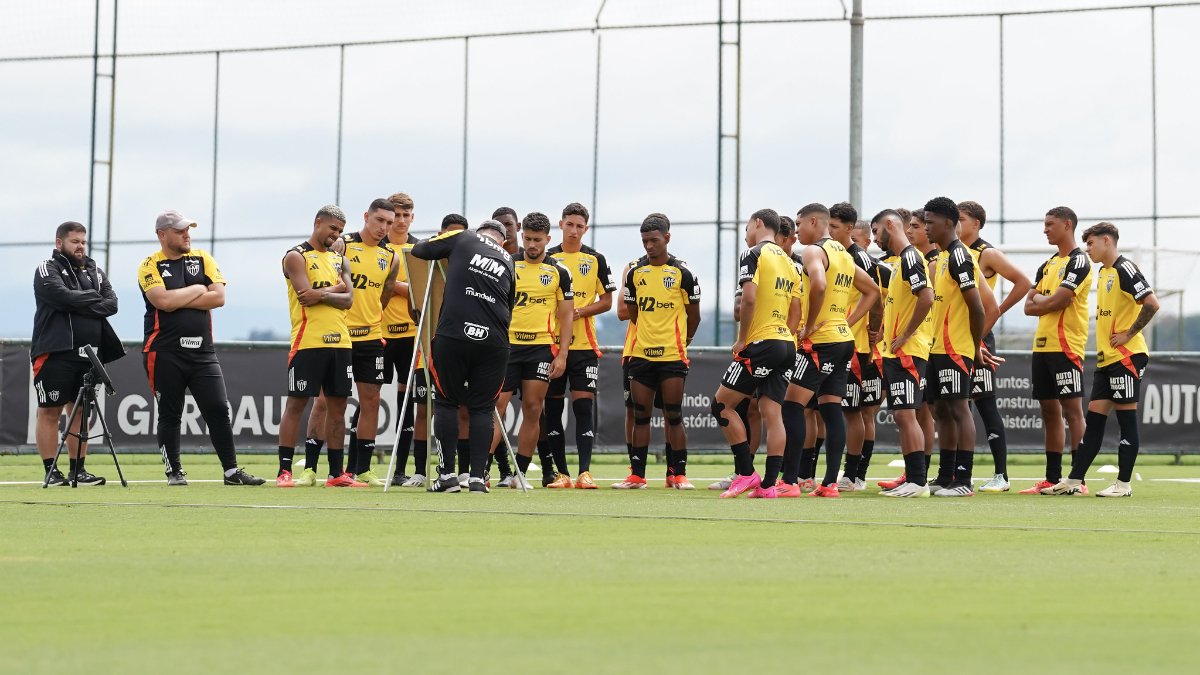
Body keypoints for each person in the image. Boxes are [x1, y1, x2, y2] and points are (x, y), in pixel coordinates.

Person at [756, 203, 877, 499]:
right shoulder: (843, 254)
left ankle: (791, 481)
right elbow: (873, 291)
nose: (797, 231)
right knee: (831, 408)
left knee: (793, 406)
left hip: (820, 341)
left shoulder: (814, 251)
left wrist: (809, 326)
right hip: (843, 339)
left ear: (813, 221)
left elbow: (819, 285)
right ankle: (829, 484)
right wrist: (846, 322)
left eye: (799, 224)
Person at [136, 210, 264, 486]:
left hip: (203, 353)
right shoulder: (149, 265)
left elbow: (218, 297)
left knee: (218, 408)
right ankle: (174, 472)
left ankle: (231, 472)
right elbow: (163, 302)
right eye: (180, 230)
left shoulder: (202, 258)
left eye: (188, 229)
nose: (187, 234)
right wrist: (197, 290)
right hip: (164, 351)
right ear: (162, 234)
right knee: (171, 413)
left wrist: (183, 295)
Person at [1044, 222, 1158, 497]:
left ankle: (1123, 484)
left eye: (1091, 243)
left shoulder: (1124, 268)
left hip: (1127, 357)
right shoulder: (1104, 272)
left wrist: (1129, 334)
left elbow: (1152, 303)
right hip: (1107, 360)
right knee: (1094, 422)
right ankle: (1074, 480)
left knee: (1126, 421)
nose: (1088, 249)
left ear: (1107, 241)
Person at [299, 198, 398, 487]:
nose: (384, 227)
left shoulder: (390, 257)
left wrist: (372, 315)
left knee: (371, 401)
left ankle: (363, 469)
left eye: (389, 223)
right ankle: (310, 469)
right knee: (323, 403)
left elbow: (386, 293)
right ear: (367, 217)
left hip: (371, 337)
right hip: (339, 337)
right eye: (379, 220)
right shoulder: (342, 244)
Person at [412, 219, 516, 493]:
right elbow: (510, 303)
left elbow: (419, 250)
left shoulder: (463, 237)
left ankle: (446, 476)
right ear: (502, 242)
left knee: (446, 402)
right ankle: (478, 479)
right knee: (482, 408)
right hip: (494, 342)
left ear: (479, 233)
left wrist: (441, 243)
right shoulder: (509, 260)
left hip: (454, 334)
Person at [711, 209, 801, 498]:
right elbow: (795, 311)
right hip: (787, 344)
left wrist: (742, 340)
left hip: (762, 342)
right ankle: (769, 486)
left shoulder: (753, 253)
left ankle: (746, 473)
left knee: (721, 406)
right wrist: (781, 338)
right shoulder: (791, 262)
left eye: (748, 226)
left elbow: (748, 299)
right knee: (772, 412)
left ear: (758, 223)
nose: (747, 232)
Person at [31, 221, 123, 486]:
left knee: (81, 412)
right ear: (59, 243)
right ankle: (51, 470)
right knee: (49, 411)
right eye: (75, 241)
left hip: (90, 354)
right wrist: (92, 298)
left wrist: (80, 298)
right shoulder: (47, 268)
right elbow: (62, 297)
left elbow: (112, 304)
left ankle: (78, 471)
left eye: (83, 241)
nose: (81, 246)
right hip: (55, 351)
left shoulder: (95, 270)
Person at [615, 213, 701, 489]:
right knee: (641, 415)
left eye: (653, 240)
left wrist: (681, 342)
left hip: (672, 356)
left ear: (667, 238)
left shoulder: (683, 273)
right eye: (644, 241)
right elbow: (634, 313)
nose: (649, 246)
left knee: (673, 414)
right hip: (641, 355)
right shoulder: (635, 273)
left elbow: (694, 316)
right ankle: (637, 475)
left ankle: (679, 474)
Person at [275, 206, 355, 488]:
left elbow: (349, 300)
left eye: (340, 231)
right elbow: (303, 296)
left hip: (341, 341)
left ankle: (336, 473)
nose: (336, 235)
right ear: (318, 223)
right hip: (308, 341)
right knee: (296, 404)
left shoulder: (339, 259)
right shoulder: (296, 256)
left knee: (338, 407)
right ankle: (284, 471)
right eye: (332, 228)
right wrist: (335, 290)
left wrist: (323, 293)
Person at [956, 200, 1033, 492]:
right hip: (950, 339)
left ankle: (1001, 475)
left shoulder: (985, 253)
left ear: (976, 223)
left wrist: (995, 313)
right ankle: (954, 472)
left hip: (978, 340)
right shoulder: (950, 252)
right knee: (950, 407)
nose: (957, 224)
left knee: (986, 406)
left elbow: (1022, 282)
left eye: (961, 218)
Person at [494, 212, 573, 488]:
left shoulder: (559, 272)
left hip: (540, 348)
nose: (531, 245)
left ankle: (521, 474)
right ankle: (480, 472)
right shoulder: (507, 264)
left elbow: (566, 316)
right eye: (527, 238)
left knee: (532, 408)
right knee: (497, 408)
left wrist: (562, 354)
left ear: (548, 239)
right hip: (507, 346)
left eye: (537, 240)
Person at [1021, 206, 1092, 494]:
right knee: (1049, 412)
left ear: (1067, 225)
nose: (1045, 229)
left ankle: (1078, 481)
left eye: (1050, 224)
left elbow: (1058, 302)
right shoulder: (1048, 264)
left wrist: (1042, 299)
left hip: (1067, 346)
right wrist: (1042, 299)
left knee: (1073, 413)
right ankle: (1052, 479)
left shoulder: (1079, 261)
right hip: (1042, 346)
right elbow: (1027, 307)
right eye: (1044, 224)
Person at [545, 203, 616, 489]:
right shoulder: (548, 259)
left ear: (586, 228)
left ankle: (584, 472)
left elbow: (608, 301)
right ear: (560, 225)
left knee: (583, 408)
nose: (574, 230)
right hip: (551, 345)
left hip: (585, 347)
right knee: (552, 411)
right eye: (569, 224)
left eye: (579, 226)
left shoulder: (595, 259)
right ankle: (562, 474)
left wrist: (579, 312)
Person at [923, 198, 990, 497]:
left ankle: (964, 479)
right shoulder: (941, 257)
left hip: (955, 348)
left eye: (930, 222)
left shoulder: (960, 257)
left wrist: (974, 346)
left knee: (960, 409)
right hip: (937, 348)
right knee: (941, 411)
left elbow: (977, 308)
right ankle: (946, 474)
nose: (925, 227)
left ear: (948, 223)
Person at [872, 209, 936, 497]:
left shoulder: (910, 257)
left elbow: (927, 297)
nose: (875, 239)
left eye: (876, 232)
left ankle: (918, 481)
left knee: (906, 415)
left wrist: (906, 334)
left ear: (889, 226)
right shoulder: (901, 262)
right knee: (903, 415)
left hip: (908, 351)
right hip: (898, 351)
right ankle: (914, 478)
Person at [827, 203, 882, 493]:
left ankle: (853, 475)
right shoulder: (832, 254)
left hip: (854, 345)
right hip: (836, 342)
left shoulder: (858, 258)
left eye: (834, 227)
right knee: (836, 409)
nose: (829, 231)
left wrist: (859, 328)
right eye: (828, 226)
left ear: (849, 229)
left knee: (854, 412)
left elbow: (876, 298)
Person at [381, 192, 422, 485]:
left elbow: (425, 290)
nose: (401, 220)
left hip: (411, 337)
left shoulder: (420, 249)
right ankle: (357, 469)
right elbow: (371, 287)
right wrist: (403, 287)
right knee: (369, 402)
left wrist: (393, 285)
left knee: (407, 405)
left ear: (412, 217)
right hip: (379, 335)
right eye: (397, 215)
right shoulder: (377, 246)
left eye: (406, 215)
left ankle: (400, 472)